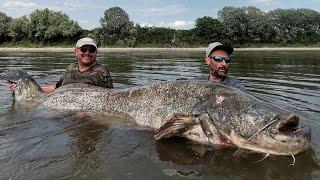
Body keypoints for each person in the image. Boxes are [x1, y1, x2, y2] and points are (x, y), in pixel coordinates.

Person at [8, 37, 113, 93]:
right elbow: (58, 88)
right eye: (83, 49)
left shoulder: (102, 72)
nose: (87, 53)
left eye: (91, 50)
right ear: (76, 51)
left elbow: (110, 97)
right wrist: (25, 88)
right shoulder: (71, 68)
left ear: (96, 52)